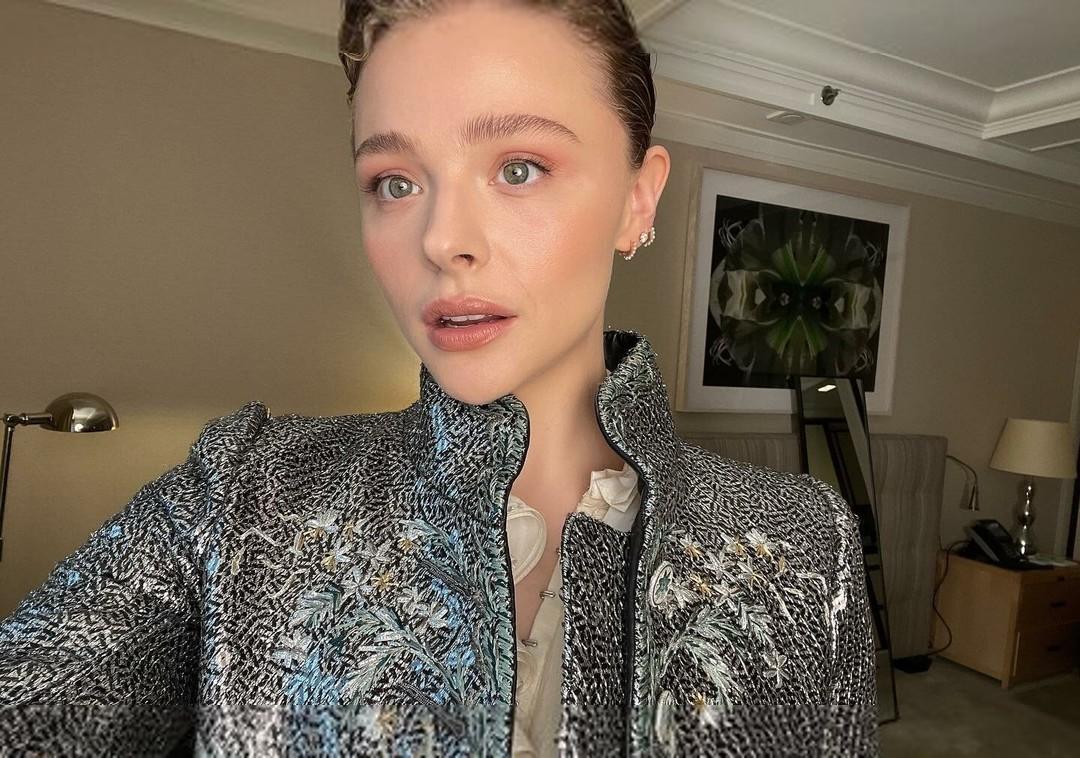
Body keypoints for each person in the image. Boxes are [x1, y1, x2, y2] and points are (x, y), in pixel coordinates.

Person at [0, 0, 879, 755]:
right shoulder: (239, 494)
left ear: (637, 199)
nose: (441, 239)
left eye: (519, 168)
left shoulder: (809, 546)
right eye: (393, 182)